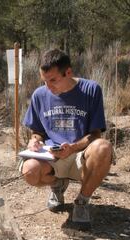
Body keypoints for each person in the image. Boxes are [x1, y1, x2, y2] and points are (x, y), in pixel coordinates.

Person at [21, 49, 113, 230]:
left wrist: (73, 147)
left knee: (103, 147)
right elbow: (37, 132)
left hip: (82, 155)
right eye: (44, 81)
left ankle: (82, 201)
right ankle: (57, 185)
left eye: (53, 80)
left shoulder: (91, 90)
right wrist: (34, 141)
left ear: (68, 72)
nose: (48, 86)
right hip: (53, 157)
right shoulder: (40, 95)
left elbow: (95, 134)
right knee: (29, 171)